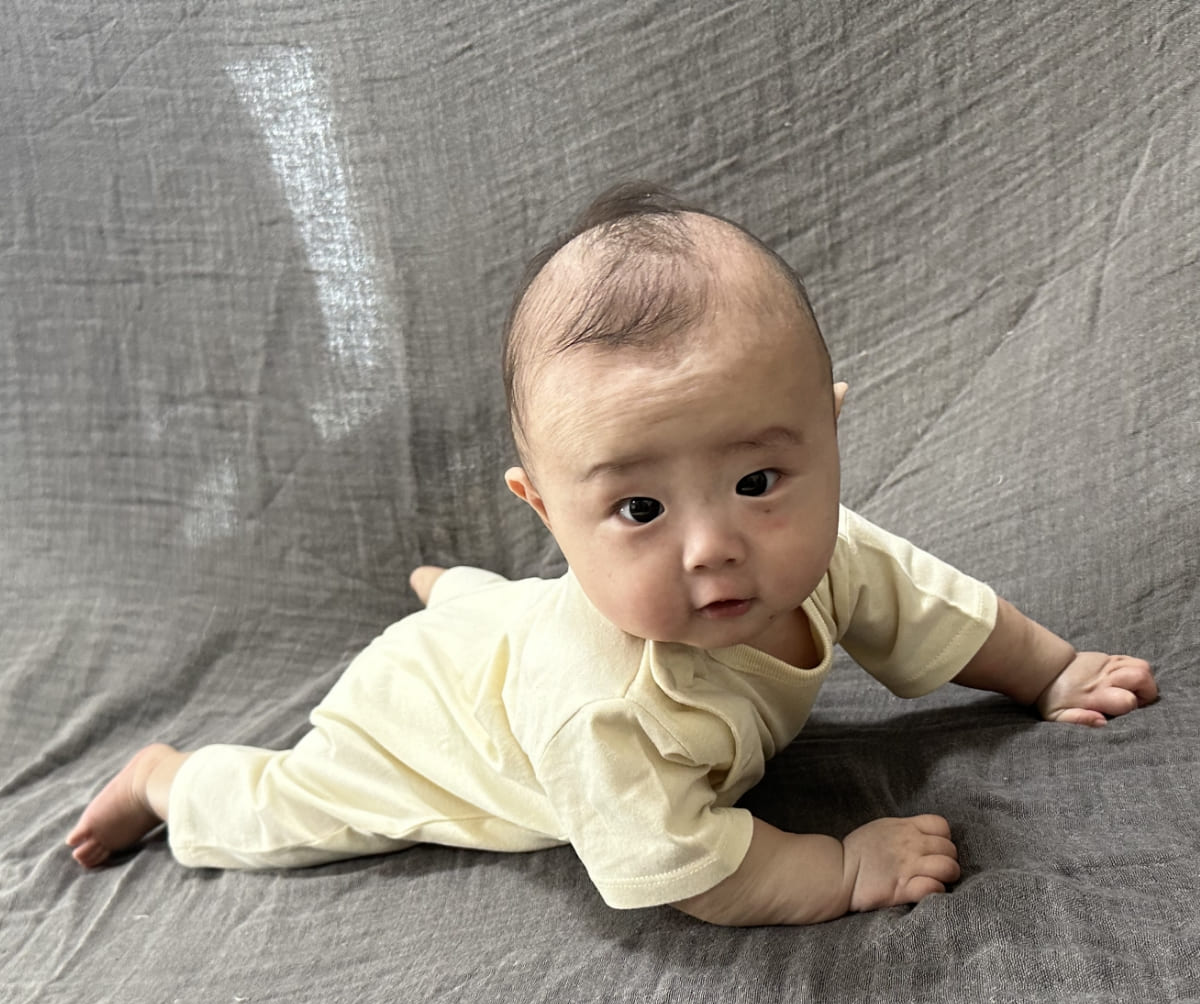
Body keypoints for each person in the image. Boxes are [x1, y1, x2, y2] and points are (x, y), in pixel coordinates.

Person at [66, 183, 1158, 926]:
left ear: (827, 435)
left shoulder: (827, 552)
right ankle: (169, 779)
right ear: (546, 509)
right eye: (639, 506)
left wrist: (1052, 669)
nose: (715, 547)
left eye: (758, 482)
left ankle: (464, 597)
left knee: (515, 613)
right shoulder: (602, 712)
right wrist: (837, 868)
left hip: (520, 628)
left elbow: (934, 608)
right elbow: (688, 870)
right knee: (293, 810)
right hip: (431, 725)